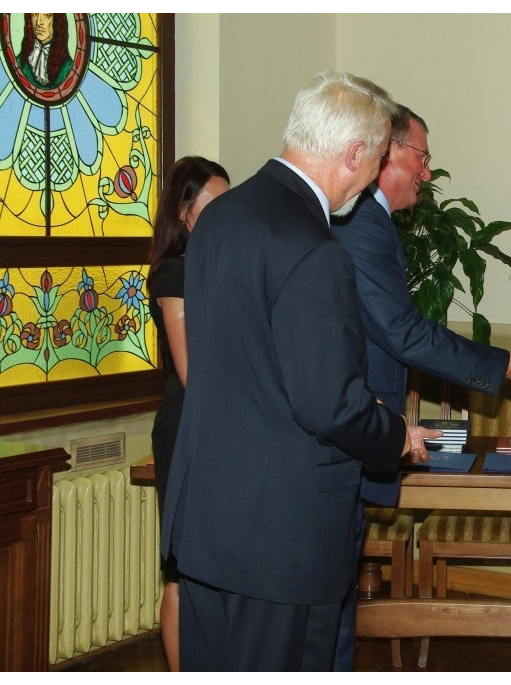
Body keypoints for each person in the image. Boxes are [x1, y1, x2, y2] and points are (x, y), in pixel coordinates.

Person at [159, 71, 437, 671]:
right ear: (354, 153)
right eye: (379, 158)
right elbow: (328, 403)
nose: (372, 180)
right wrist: (395, 435)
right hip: (282, 541)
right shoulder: (314, 246)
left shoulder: (221, 220)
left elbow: (243, 371)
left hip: (208, 527)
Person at [329, 105, 511, 670]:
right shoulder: (360, 226)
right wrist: (505, 365)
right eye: (423, 157)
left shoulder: (370, 222)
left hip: (365, 423)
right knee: (331, 605)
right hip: (349, 433)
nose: (428, 174)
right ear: (389, 152)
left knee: (335, 601)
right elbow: (402, 332)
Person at [147, 155, 230, 672]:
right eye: (215, 207)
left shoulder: (219, 266)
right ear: (185, 214)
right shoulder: (174, 273)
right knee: (181, 571)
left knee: (217, 568)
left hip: (221, 427)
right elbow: (192, 372)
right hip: (188, 431)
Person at [17, 13, 72, 88]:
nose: (38, 22)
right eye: (35, 15)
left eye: (47, 16)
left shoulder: (68, 68)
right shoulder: (19, 62)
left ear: (57, 21)